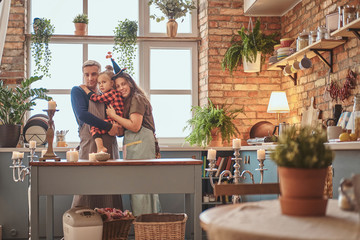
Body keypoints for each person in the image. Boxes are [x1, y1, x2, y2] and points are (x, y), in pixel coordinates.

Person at [106, 59, 161, 216]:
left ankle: (147, 228)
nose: (121, 88)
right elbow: (125, 129)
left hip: (142, 146)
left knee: (142, 190)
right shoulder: (127, 101)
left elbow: (135, 126)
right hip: (134, 147)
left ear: (130, 83)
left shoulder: (136, 98)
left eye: (123, 84)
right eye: (117, 86)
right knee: (137, 190)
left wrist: (114, 116)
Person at [70, 59, 123, 209]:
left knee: (110, 189)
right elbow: (83, 115)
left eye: (94, 74)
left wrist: (118, 129)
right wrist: (109, 127)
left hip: (109, 147)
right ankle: (82, 230)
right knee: (86, 189)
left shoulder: (106, 94)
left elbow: (117, 117)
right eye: (86, 74)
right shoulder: (78, 91)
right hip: (89, 147)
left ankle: (111, 231)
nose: (90, 78)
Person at [80, 65, 124, 153]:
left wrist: (85, 89)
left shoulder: (110, 94)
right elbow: (82, 115)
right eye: (99, 83)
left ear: (112, 83)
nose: (101, 85)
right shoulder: (114, 93)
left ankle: (100, 147)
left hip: (114, 121)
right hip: (115, 121)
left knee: (94, 128)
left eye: (104, 82)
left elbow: (96, 98)